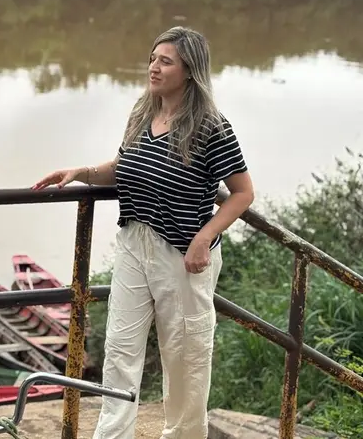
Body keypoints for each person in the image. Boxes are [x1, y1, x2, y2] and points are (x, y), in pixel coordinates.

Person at [32, 26, 254, 439]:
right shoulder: (142, 113)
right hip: (135, 243)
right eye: (152, 58)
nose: (153, 67)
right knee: (120, 350)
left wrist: (204, 238)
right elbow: (122, 167)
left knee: (185, 359)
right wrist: (80, 173)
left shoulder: (211, 126)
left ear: (190, 71)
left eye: (165, 61)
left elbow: (242, 194)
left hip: (184, 254)